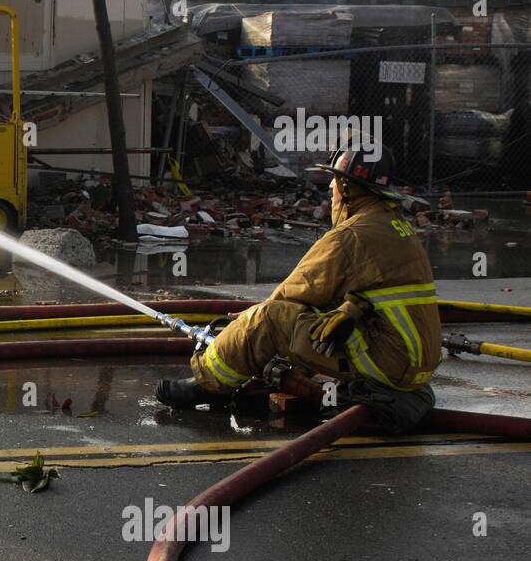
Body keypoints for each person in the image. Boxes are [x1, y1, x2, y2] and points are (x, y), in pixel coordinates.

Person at [156, 147, 440, 410]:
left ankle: (208, 384)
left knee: (268, 320)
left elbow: (291, 295)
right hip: (413, 365)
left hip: (388, 365)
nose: (331, 197)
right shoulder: (397, 226)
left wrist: (243, 322)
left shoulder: (350, 236)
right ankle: (269, 378)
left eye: (332, 190)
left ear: (345, 187)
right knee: (323, 317)